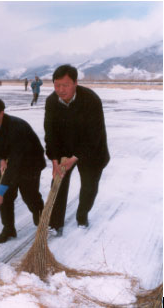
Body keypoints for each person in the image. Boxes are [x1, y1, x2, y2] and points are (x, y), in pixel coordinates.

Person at [44, 64, 110, 236]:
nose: (60, 89)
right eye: (57, 85)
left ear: (75, 83)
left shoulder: (91, 100)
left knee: (89, 187)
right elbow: (50, 133)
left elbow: (94, 135)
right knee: (57, 184)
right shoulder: (51, 102)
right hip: (65, 148)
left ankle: (82, 216)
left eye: (65, 85)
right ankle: (55, 223)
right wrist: (55, 162)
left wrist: (75, 158)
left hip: (92, 150)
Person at [0, 97, 46, 243]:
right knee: (7, 197)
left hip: (30, 161)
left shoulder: (17, 128)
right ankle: (8, 229)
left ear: (1, 113)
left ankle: (42, 221)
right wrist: (0, 159)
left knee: (29, 195)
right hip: (10, 159)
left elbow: (17, 161)